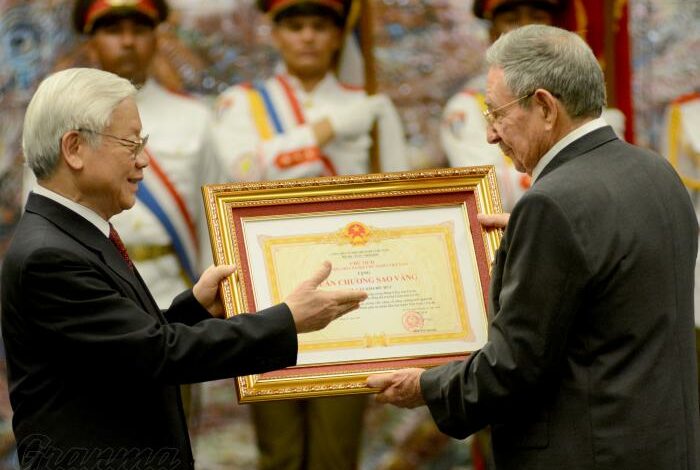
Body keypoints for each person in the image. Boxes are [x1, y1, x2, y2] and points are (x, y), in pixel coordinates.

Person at [0, 67, 368, 470]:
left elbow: (123, 346)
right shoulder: (49, 256)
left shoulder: (68, 234)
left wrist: (193, 308)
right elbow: (157, 356)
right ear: (73, 148)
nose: (143, 160)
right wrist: (288, 320)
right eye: (130, 143)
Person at [368, 25, 700, 469]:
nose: (490, 135)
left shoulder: (553, 205)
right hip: (662, 446)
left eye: (497, 113)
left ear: (544, 106)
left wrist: (425, 387)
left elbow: (512, 369)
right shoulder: (656, 171)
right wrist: (532, 238)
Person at [212, 1, 410, 469]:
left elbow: (398, 199)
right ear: (274, 33)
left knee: (335, 453)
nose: (307, 37)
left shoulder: (369, 103)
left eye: (320, 27)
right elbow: (237, 173)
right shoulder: (241, 104)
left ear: (339, 36)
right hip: (266, 297)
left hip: (349, 297)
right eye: (295, 26)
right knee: (277, 451)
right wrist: (326, 131)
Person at [67, 0, 220, 308]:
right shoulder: (63, 119)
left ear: (157, 38)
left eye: (139, 30)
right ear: (91, 42)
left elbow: (213, 218)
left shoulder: (195, 117)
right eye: (113, 30)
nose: (127, 41)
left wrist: (213, 297)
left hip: (178, 291)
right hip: (92, 290)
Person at [440, 0, 625, 211]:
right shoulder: (467, 106)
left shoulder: (579, 96)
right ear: (492, 33)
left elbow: (613, 183)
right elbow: (486, 193)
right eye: (511, 20)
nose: (525, 28)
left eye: (538, 18)